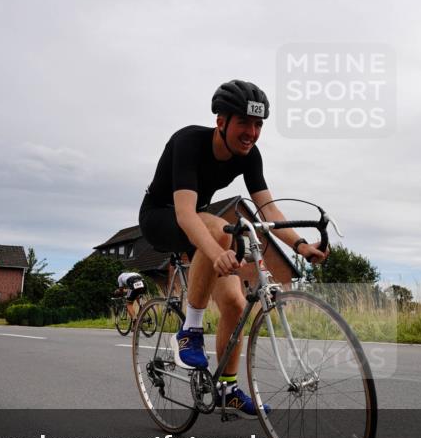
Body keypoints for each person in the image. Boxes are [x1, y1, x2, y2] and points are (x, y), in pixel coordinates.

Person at [138, 80, 326, 418]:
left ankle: (226, 388)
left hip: (198, 224)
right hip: (160, 218)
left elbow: (269, 210)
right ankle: (189, 331)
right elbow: (184, 213)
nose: (251, 133)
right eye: (244, 123)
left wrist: (300, 245)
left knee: (237, 305)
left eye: (258, 125)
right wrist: (215, 251)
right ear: (221, 122)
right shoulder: (188, 142)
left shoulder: (249, 156)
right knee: (215, 226)